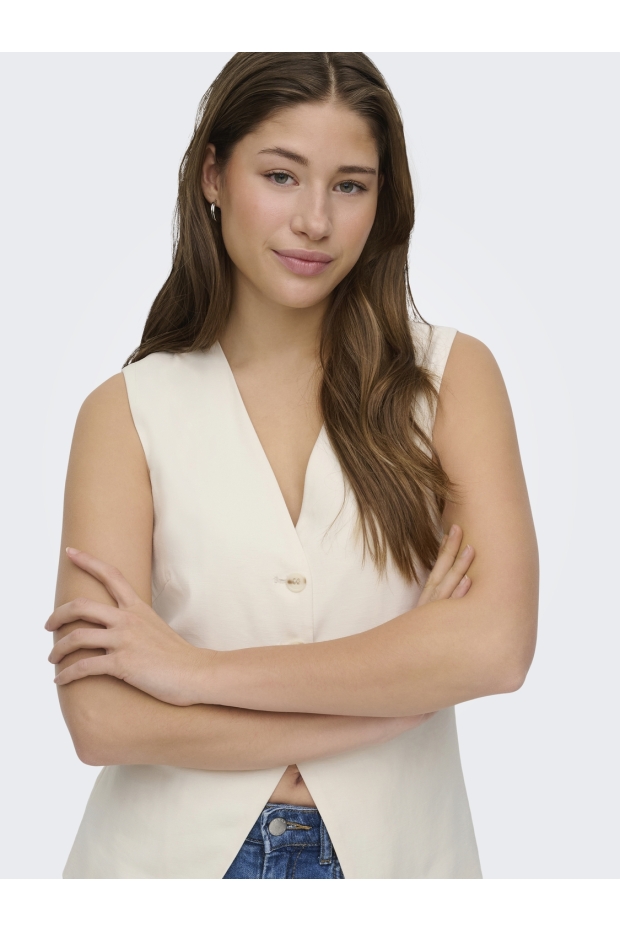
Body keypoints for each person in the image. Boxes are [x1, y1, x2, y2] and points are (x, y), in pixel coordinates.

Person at [47, 52, 538, 880]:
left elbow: (495, 646)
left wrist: (194, 673)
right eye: (281, 176)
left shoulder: (451, 380)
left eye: (350, 185)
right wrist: (387, 704)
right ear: (213, 175)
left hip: (400, 863)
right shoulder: (124, 412)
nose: (314, 220)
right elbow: (102, 721)